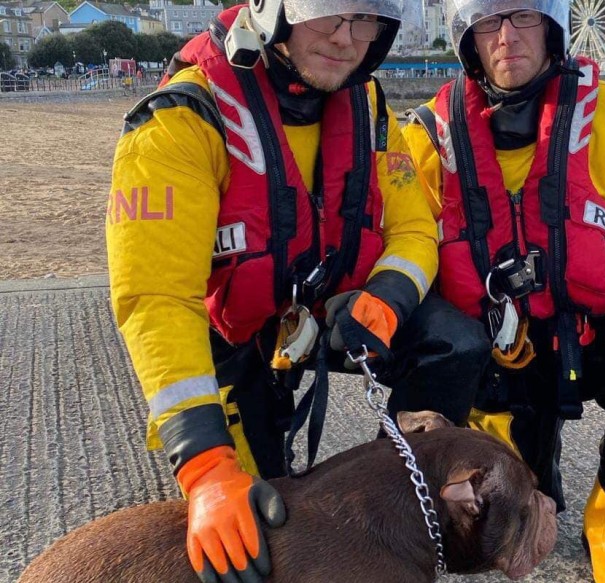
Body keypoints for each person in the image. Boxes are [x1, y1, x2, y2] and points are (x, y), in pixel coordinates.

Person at [106, 1, 489, 582]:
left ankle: (394, 495)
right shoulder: (184, 117)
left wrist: (385, 298)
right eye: (326, 12)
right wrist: (207, 469)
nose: (345, 37)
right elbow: (156, 298)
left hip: (333, 311)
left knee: (455, 343)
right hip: (233, 331)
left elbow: (412, 229)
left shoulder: (367, 104)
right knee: (258, 525)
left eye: (365, 19)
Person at [402, 1, 605, 581]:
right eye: (488, 23)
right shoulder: (428, 135)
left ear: (552, 28)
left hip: (597, 330)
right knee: (513, 499)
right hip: (500, 349)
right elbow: (406, 241)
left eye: (523, 17)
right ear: (467, 41)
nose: (506, 37)